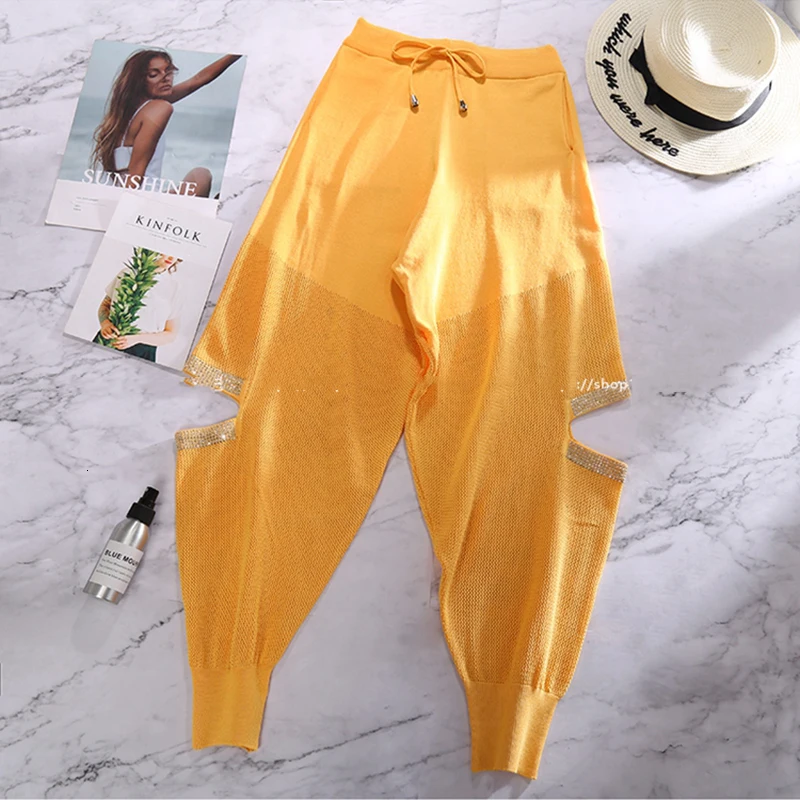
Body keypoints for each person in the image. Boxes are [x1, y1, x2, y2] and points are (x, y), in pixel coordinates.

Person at [91, 49, 242, 196]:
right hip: (138, 198)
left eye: (168, 72)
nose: (166, 78)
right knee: (202, 178)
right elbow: (136, 172)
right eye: (153, 74)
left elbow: (197, 80)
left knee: (200, 176)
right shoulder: (159, 108)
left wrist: (235, 54)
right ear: (139, 81)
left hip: (126, 194)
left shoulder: (131, 112)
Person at [92, 253, 183, 362]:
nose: (171, 258)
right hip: (109, 340)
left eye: (176, 254)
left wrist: (137, 339)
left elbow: (171, 334)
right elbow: (106, 304)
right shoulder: (127, 274)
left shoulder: (174, 287)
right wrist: (105, 323)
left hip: (143, 352)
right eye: (167, 251)